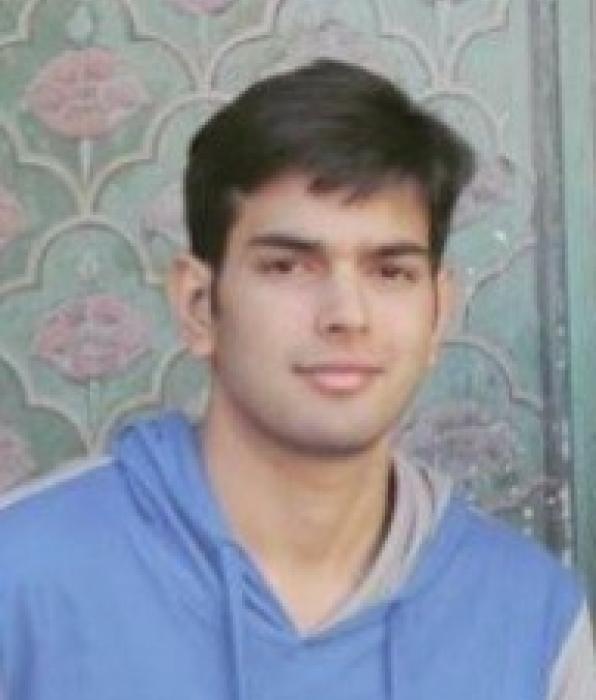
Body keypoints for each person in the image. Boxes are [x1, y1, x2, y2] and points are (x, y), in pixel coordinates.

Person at [0, 59, 594, 700]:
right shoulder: (24, 576)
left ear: (438, 313)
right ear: (199, 306)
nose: (347, 315)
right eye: (287, 266)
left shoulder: (532, 619)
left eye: (390, 272)